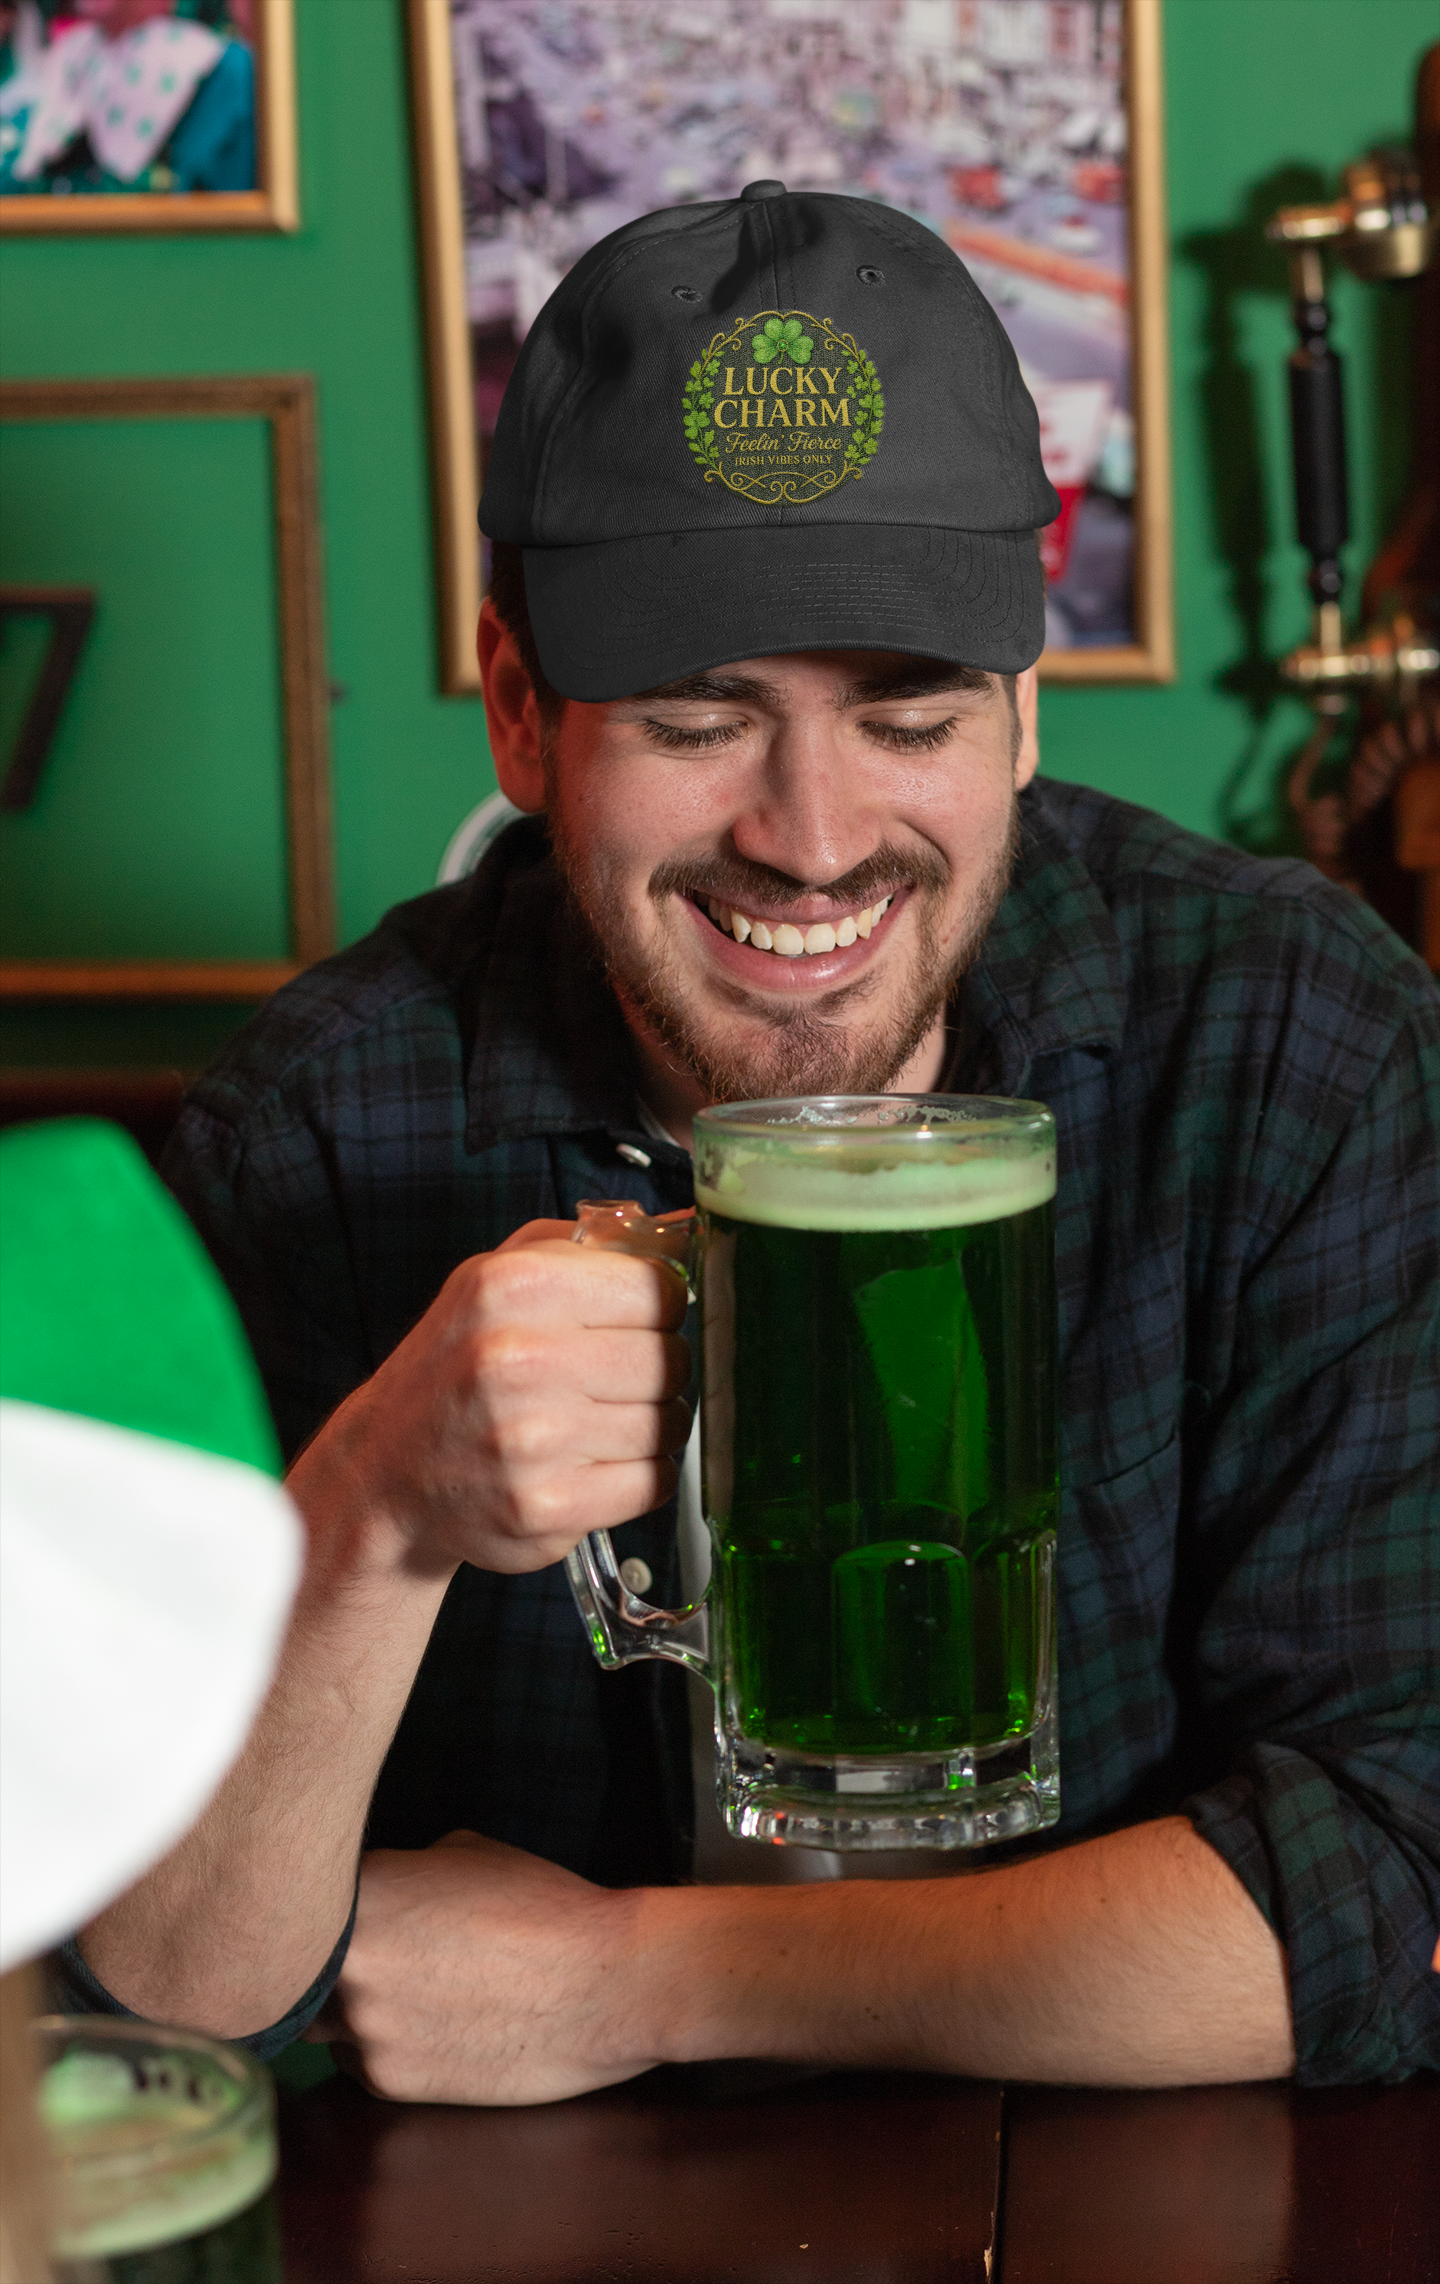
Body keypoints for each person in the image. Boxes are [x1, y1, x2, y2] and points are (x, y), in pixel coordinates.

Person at [64, 183, 1440, 2098]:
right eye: (702, 720)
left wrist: (648, 1981)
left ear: (1024, 713)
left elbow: (1402, 1880)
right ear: (526, 716)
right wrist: (379, 1501)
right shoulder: (308, 1132)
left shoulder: (1296, 1042)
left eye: (908, 717)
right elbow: (163, 1995)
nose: (810, 835)